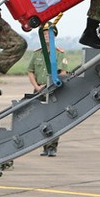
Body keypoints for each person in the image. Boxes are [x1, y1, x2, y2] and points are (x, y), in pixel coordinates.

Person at [26, 26, 69, 157]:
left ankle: (52, 147)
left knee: (53, 118)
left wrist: (51, 85)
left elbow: (63, 72)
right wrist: (37, 87)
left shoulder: (59, 53)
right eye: (43, 34)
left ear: (54, 35)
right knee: (41, 118)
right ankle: (44, 146)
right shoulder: (37, 53)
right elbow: (30, 71)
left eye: (48, 34)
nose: (46, 36)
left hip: (53, 90)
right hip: (38, 90)